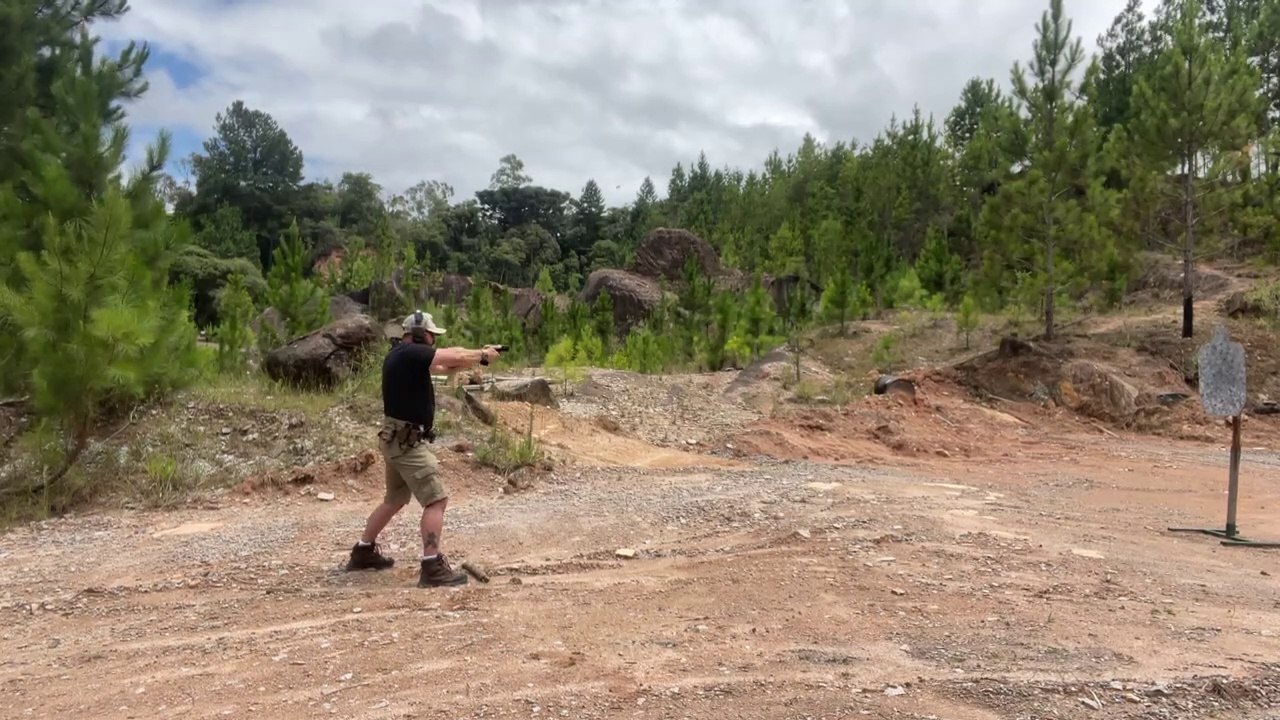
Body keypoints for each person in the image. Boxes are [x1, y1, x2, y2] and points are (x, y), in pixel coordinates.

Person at [344, 309, 502, 587]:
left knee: (394, 500)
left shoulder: (402, 355)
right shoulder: (410, 353)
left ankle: (363, 551)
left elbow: (444, 367)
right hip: (406, 443)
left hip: (397, 439)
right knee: (436, 501)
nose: (433, 340)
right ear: (421, 334)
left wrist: (477, 359)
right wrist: (482, 355)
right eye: (431, 335)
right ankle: (431, 567)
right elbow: (452, 355)